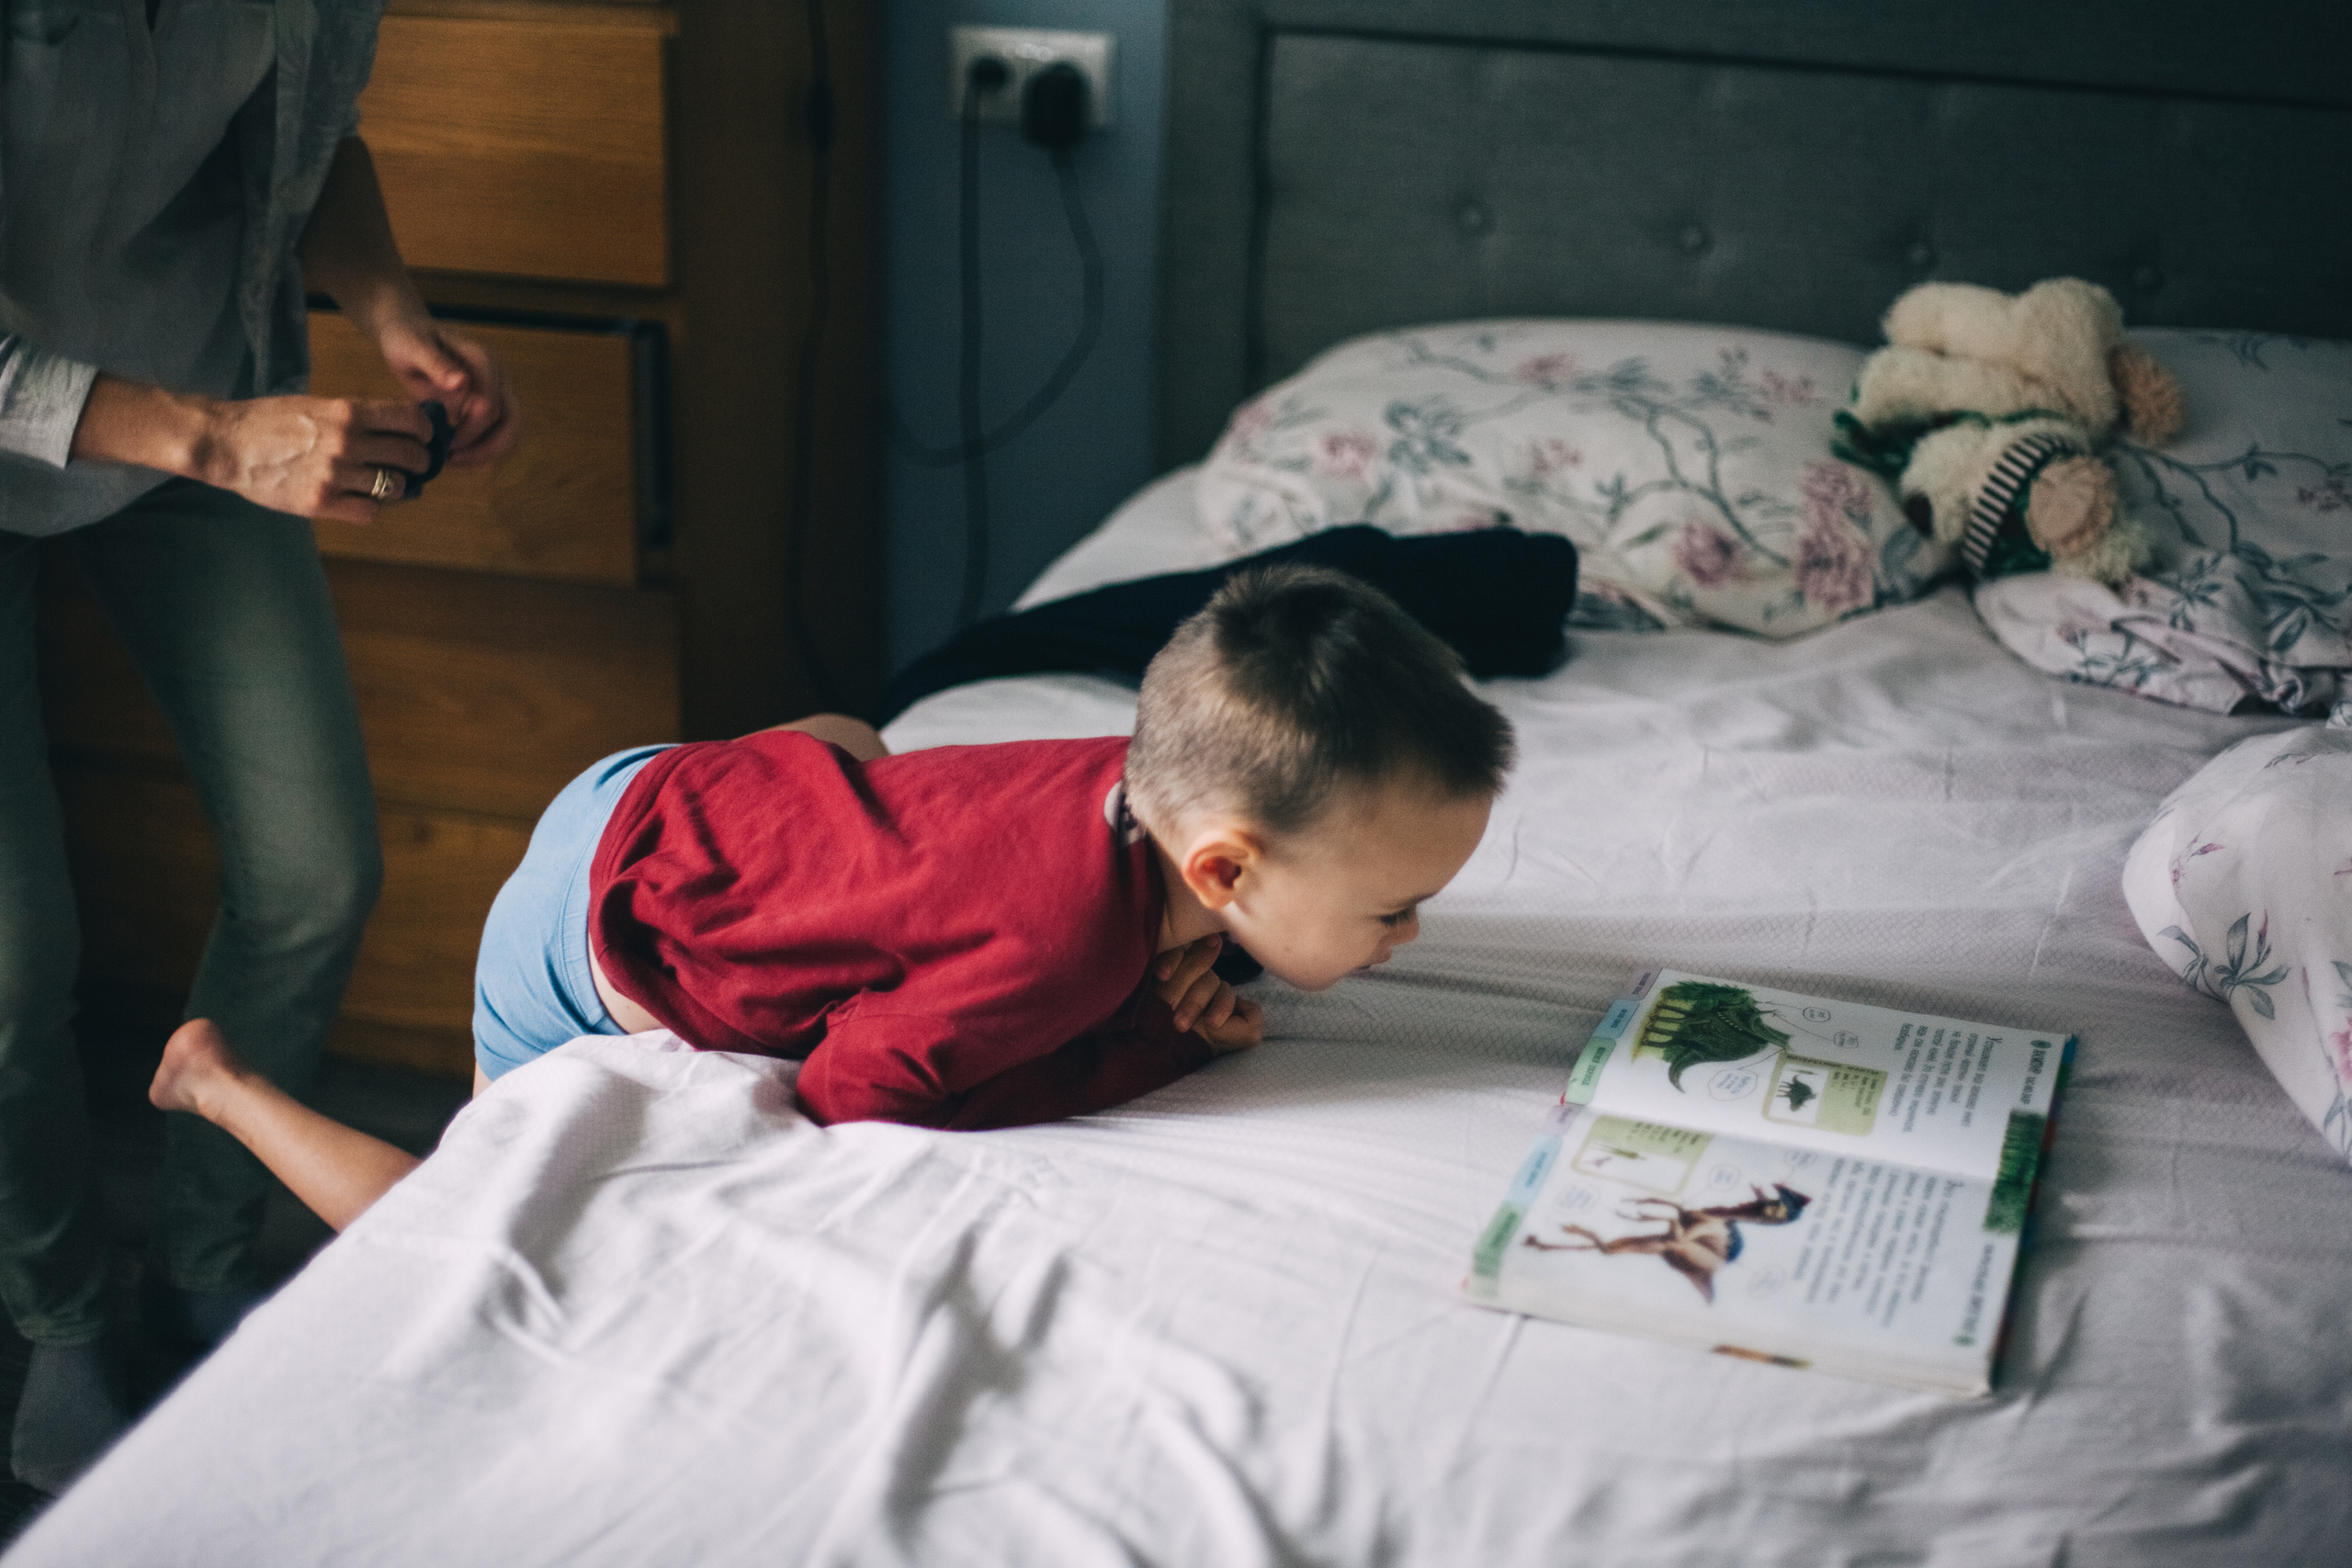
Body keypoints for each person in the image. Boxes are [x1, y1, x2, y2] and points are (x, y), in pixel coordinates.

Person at [147, 566, 1515, 1224]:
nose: (1409, 935)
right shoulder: (1067, 959)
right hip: (588, 937)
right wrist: (1150, 1041)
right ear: (1223, 872)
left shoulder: (1134, 769)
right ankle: (222, 1082)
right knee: (472, 1219)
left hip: (669, 787)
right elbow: (851, 1094)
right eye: (1390, 909)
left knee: (864, 753)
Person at [0, 0, 518, 1492]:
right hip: (130, 423)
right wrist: (218, 442)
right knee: (15, 960)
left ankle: (205, 1270)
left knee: (314, 873)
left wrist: (396, 313)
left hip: (194, 394)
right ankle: (61, 1319)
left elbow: (299, 144)